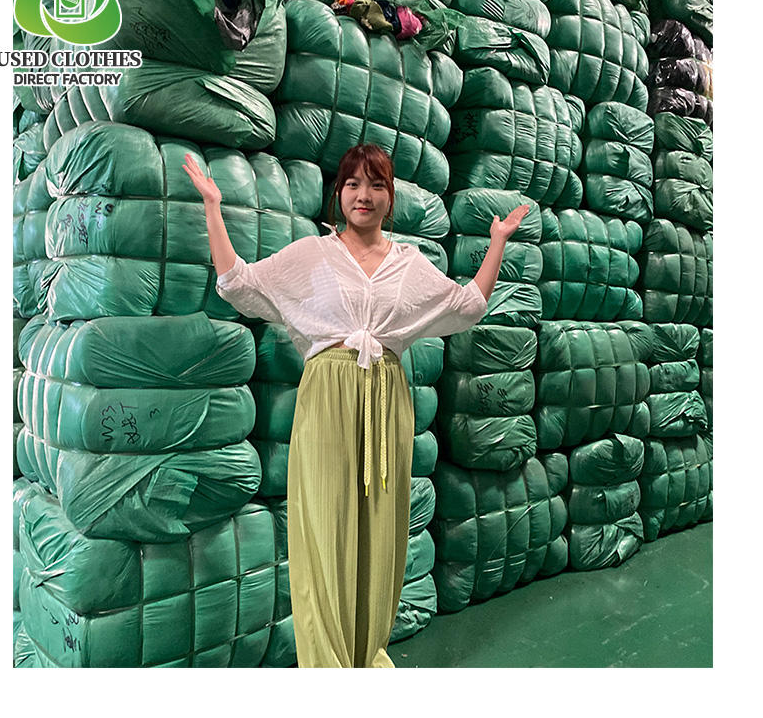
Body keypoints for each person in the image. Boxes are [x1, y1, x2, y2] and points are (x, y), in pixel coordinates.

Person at [183, 143, 529, 668]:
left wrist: (496, 242)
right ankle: (328, 667)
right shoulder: (313, 255)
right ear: (339, 194)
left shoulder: (409, 265)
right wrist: (213, 207)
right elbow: (239, 283)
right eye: (352, 184)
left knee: (380, 531)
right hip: (327, 397)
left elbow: (466, 306)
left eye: (376, 185)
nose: (363, 195)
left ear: (390, 198)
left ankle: (366, 656)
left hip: (387, 400)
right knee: (326, 529)